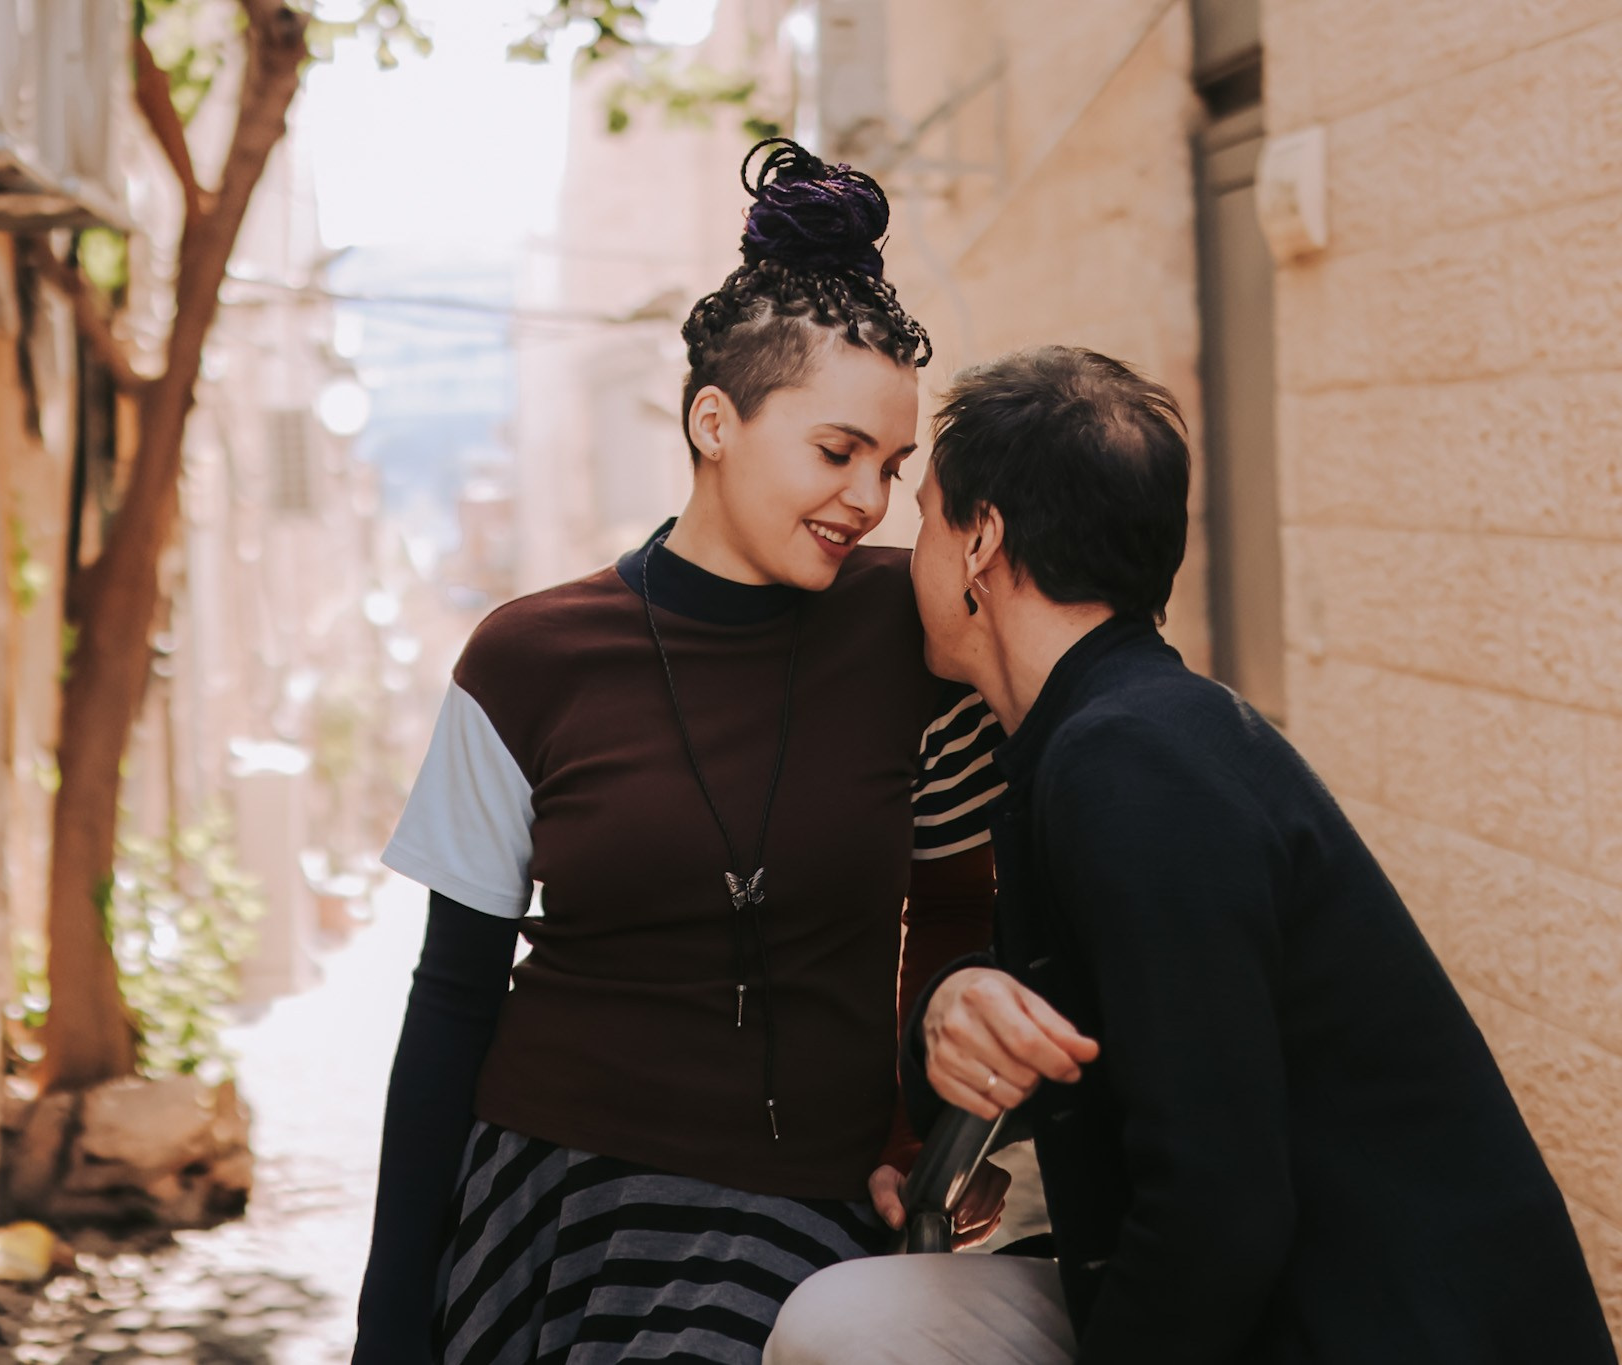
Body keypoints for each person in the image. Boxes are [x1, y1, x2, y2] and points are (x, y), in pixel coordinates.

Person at [764, 345, 1618, 1365]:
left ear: (980, 542)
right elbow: (1079, 1039)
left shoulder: (1131, 767)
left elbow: (1219, 1204)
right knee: (848, 1321)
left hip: (1378, 1327)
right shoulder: (1113, 735)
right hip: (1255, 1295)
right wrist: (944, 1013)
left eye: (926, 517)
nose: (906, 557)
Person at [351, 140, 1011, 1365]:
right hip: (550, 1207)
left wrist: (921, 1136)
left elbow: (957, 908)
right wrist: (391, 1319)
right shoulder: (524, 658)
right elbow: (450, 996)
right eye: (834, 452)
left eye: (891, 464)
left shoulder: (913, 638)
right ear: (714, 421)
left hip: (804, 1216)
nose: (867, 498)